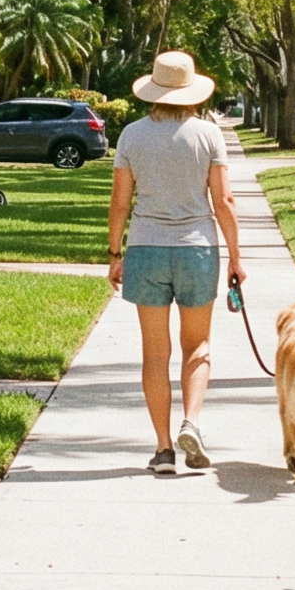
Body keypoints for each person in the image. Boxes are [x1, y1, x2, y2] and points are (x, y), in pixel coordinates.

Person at [107, 50, 244, 474]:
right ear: (191, 92)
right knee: (197, 347)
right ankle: (192, 423)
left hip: (146, 249)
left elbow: (119, 203)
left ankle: (164, 449)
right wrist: (236, 259)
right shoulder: (209, 135)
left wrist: (115, 253)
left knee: (154, 353)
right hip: (196, 249)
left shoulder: (131, 135)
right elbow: (223, 201)